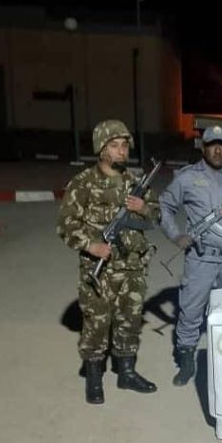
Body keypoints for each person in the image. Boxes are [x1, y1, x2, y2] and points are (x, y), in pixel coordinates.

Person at [57, 119, 158, 404]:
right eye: (114, 145)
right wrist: (92, 246)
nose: (122, 150)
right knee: (97, 323)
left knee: (130, 320)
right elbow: (66, 225)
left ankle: (126, 373)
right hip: (99, 269)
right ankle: (94, 378)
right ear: (101, 149)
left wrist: (144, 208)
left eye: (124, 145)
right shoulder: (83, 183)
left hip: (133, 266)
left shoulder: (134, 182)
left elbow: (156, 216)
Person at [159, 125, 222, 386]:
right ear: (203, 147)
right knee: (191, 311)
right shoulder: (187, 178)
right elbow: (164, 207)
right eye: (212, 145)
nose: (218, 150)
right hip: (200, 258)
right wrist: (176, 235)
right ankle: (186, 360)